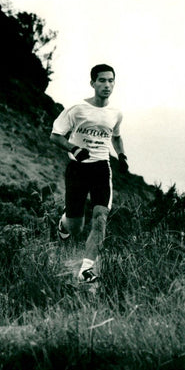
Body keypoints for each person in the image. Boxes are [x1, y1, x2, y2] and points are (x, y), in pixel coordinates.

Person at [50, 64, 128, 283]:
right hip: (77, 169)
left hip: (101, 169)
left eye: (111, 80)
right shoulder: (77, 109)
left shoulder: (116, 113)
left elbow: (116, 136)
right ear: (92, 83)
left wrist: (121, 156)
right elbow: (55, 136)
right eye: (102, 80)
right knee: (76, 227)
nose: (107, 85)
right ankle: (64, 221)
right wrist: (74, 149)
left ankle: (86, 269)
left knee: (100, 217)